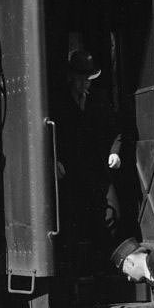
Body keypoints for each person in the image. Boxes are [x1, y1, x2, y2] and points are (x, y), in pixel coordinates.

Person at [54, 50, 122, 272]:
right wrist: (53, 160)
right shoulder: (58, 102)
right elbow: (46, 134)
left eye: (90, 79)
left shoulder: (99, 100)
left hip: (97, 170)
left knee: (111, 216)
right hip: (70, 172)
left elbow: (115, 131)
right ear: (72, 77)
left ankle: (105, 269)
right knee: (71, 221)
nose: (87, 84)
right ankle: (75, 274)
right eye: (83, 79)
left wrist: (115, 152)